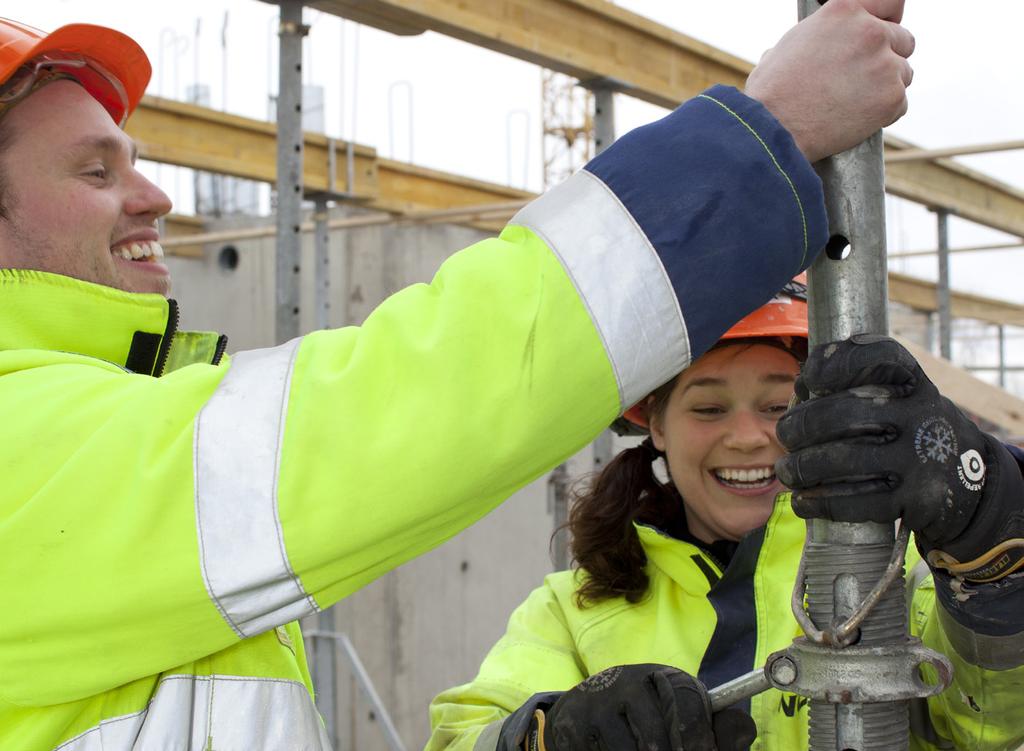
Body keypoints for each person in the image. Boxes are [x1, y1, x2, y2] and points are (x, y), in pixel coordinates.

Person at [0, 1, 914, 747]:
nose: (155, 195)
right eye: (94, 169)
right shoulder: (22, 454)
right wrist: (764, 141)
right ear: (657, 426)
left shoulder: (896, 565)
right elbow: (408, 395)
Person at [426, 305, 1024, 751]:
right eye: (708, 409)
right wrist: (547, 733)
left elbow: (994, 719)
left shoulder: (899, 581)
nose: (746, 437)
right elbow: (462, 735)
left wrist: (989, 533)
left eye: (778, 407)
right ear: (655, 425)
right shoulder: (572, 611)